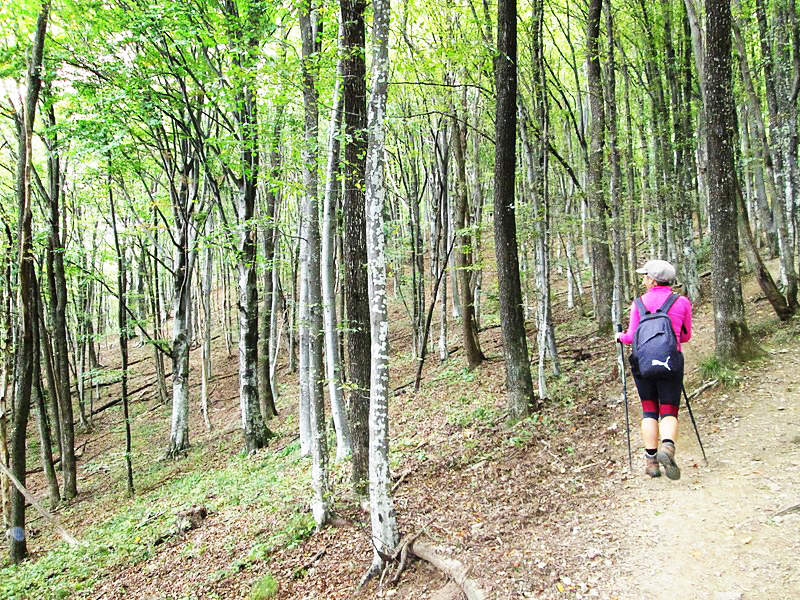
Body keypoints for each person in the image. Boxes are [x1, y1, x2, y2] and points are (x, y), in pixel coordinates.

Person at [615, 259, 692, 480]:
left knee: (649, 410)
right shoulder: (682, 302)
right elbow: (686, 336)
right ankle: (667, 447)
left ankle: (651, 463)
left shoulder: (639, 303)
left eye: (645, 276)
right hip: (671, 362)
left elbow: (630, 338)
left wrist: (619, 337)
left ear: (651, 279)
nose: (643, 279)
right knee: (669, 410)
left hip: (644, 364)